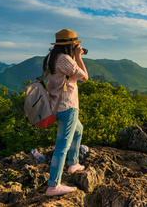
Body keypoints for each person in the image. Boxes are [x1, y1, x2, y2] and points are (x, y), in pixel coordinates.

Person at [43, 29, 89, 196]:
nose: (78, 47)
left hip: (54, 105)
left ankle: (73, 163)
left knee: (78, 130)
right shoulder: (65, 59)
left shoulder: (51, 57)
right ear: (70, 45)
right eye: (75, 44)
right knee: (61, 147)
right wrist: (78, 56)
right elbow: (84, 76)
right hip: (67, 107)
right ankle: (53, 185)